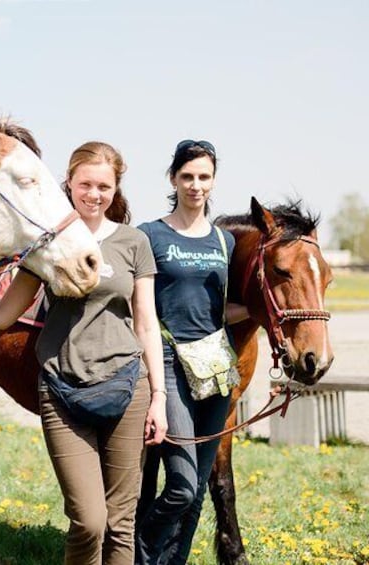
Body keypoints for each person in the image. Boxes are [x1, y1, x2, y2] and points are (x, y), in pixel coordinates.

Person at [0, 141, 168, 565]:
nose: (94, 194)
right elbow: (2, 313)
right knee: (88, 520)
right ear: (69, 185)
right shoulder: (45, 243)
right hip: (62, 390)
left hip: (129, 388)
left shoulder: (134, 242)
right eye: (86, 184)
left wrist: (160, 399)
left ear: (116, 189)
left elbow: (146, 323)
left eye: (104, 186)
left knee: (120, 524)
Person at [134, 139, 248, 564]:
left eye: (203, 176)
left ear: (213, 180)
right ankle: (139, 555)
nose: (195, 185)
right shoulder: (150, 235)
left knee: (198, 489)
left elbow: (221, 310)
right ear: (173, 179)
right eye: (187, 176)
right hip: (167, 362)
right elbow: (141, 308)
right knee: (181, 483)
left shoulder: (224, 242)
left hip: (214, 365)